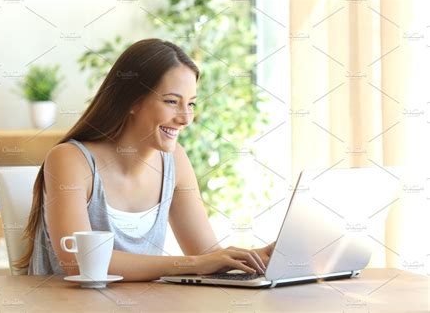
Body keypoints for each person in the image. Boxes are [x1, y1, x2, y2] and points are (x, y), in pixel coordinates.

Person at [16, 38, 275, 281]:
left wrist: (257, 257)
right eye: (172, 101)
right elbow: (78, 262)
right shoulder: (71, 160)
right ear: (132, 101)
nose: (185, 118)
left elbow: (207, 255)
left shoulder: (175, 161)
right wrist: (192, 264)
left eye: (192, 104)